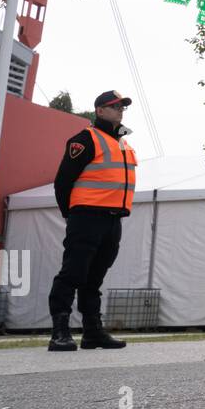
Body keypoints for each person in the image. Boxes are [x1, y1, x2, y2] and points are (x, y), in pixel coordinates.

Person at [48, 90, 137, 351]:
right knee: (73, 273)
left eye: (122, 107)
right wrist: (71, 213)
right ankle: (60, 332)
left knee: (95, 278)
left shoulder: (123, 144)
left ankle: (92, 332)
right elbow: (63, 181)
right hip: (86, 216)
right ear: (99, 110)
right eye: (115, 106)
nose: (120, 110)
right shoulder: (85, 139)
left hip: (113, 219)